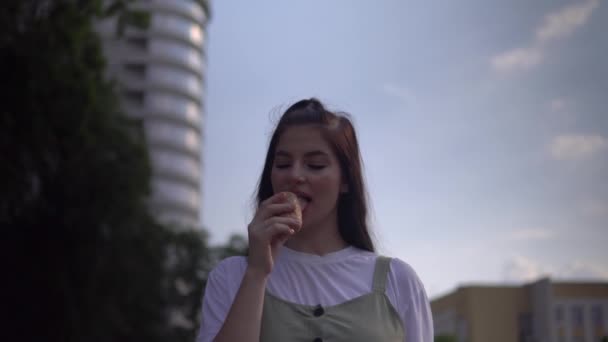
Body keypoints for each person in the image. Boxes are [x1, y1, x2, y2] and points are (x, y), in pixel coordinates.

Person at [197, 98, 433, 342]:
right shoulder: (232, 276)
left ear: (345, 180)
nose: (295, 175)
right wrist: (257, 274)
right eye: (283, 164)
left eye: (315, 165)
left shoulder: (398, 280)